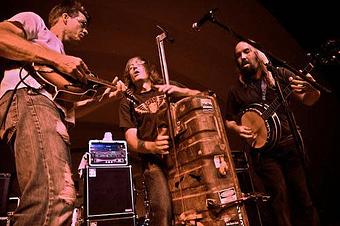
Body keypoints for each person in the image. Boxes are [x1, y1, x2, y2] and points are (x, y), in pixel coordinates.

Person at [0, 1, 124, 225]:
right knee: (52, 197)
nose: (85, 31)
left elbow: (70, 109)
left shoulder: (62, 55)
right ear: (65, 17)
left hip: (51, 112)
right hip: (30, 98)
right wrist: (58, 59)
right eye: (82, 23)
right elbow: (1, 37)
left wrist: (104, 99)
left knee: (63, 198)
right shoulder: (36, 23)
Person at [224, 41, 320, 226]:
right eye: (238, 55)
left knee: (303, 198)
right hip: (264, 154)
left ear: (258, 54)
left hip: (290, 144)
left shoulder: (280, 75)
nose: (242, 57)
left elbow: (308, 99)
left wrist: (312, 87)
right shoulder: (236, 90)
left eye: (246, 51)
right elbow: (228, 119)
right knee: (279, 199)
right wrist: (237, 128)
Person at [119, 56, 201, 226]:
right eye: (129, 68)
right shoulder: (127, 102)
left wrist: (182, 92)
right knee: (162, 211)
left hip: (184, 155)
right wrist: (153, 146)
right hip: (153, 162)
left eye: (137, 64)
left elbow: (203, 97)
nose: (133, 68)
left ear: (148, 68)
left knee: (198, 204)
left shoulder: (167, 87)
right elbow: (131, 140)